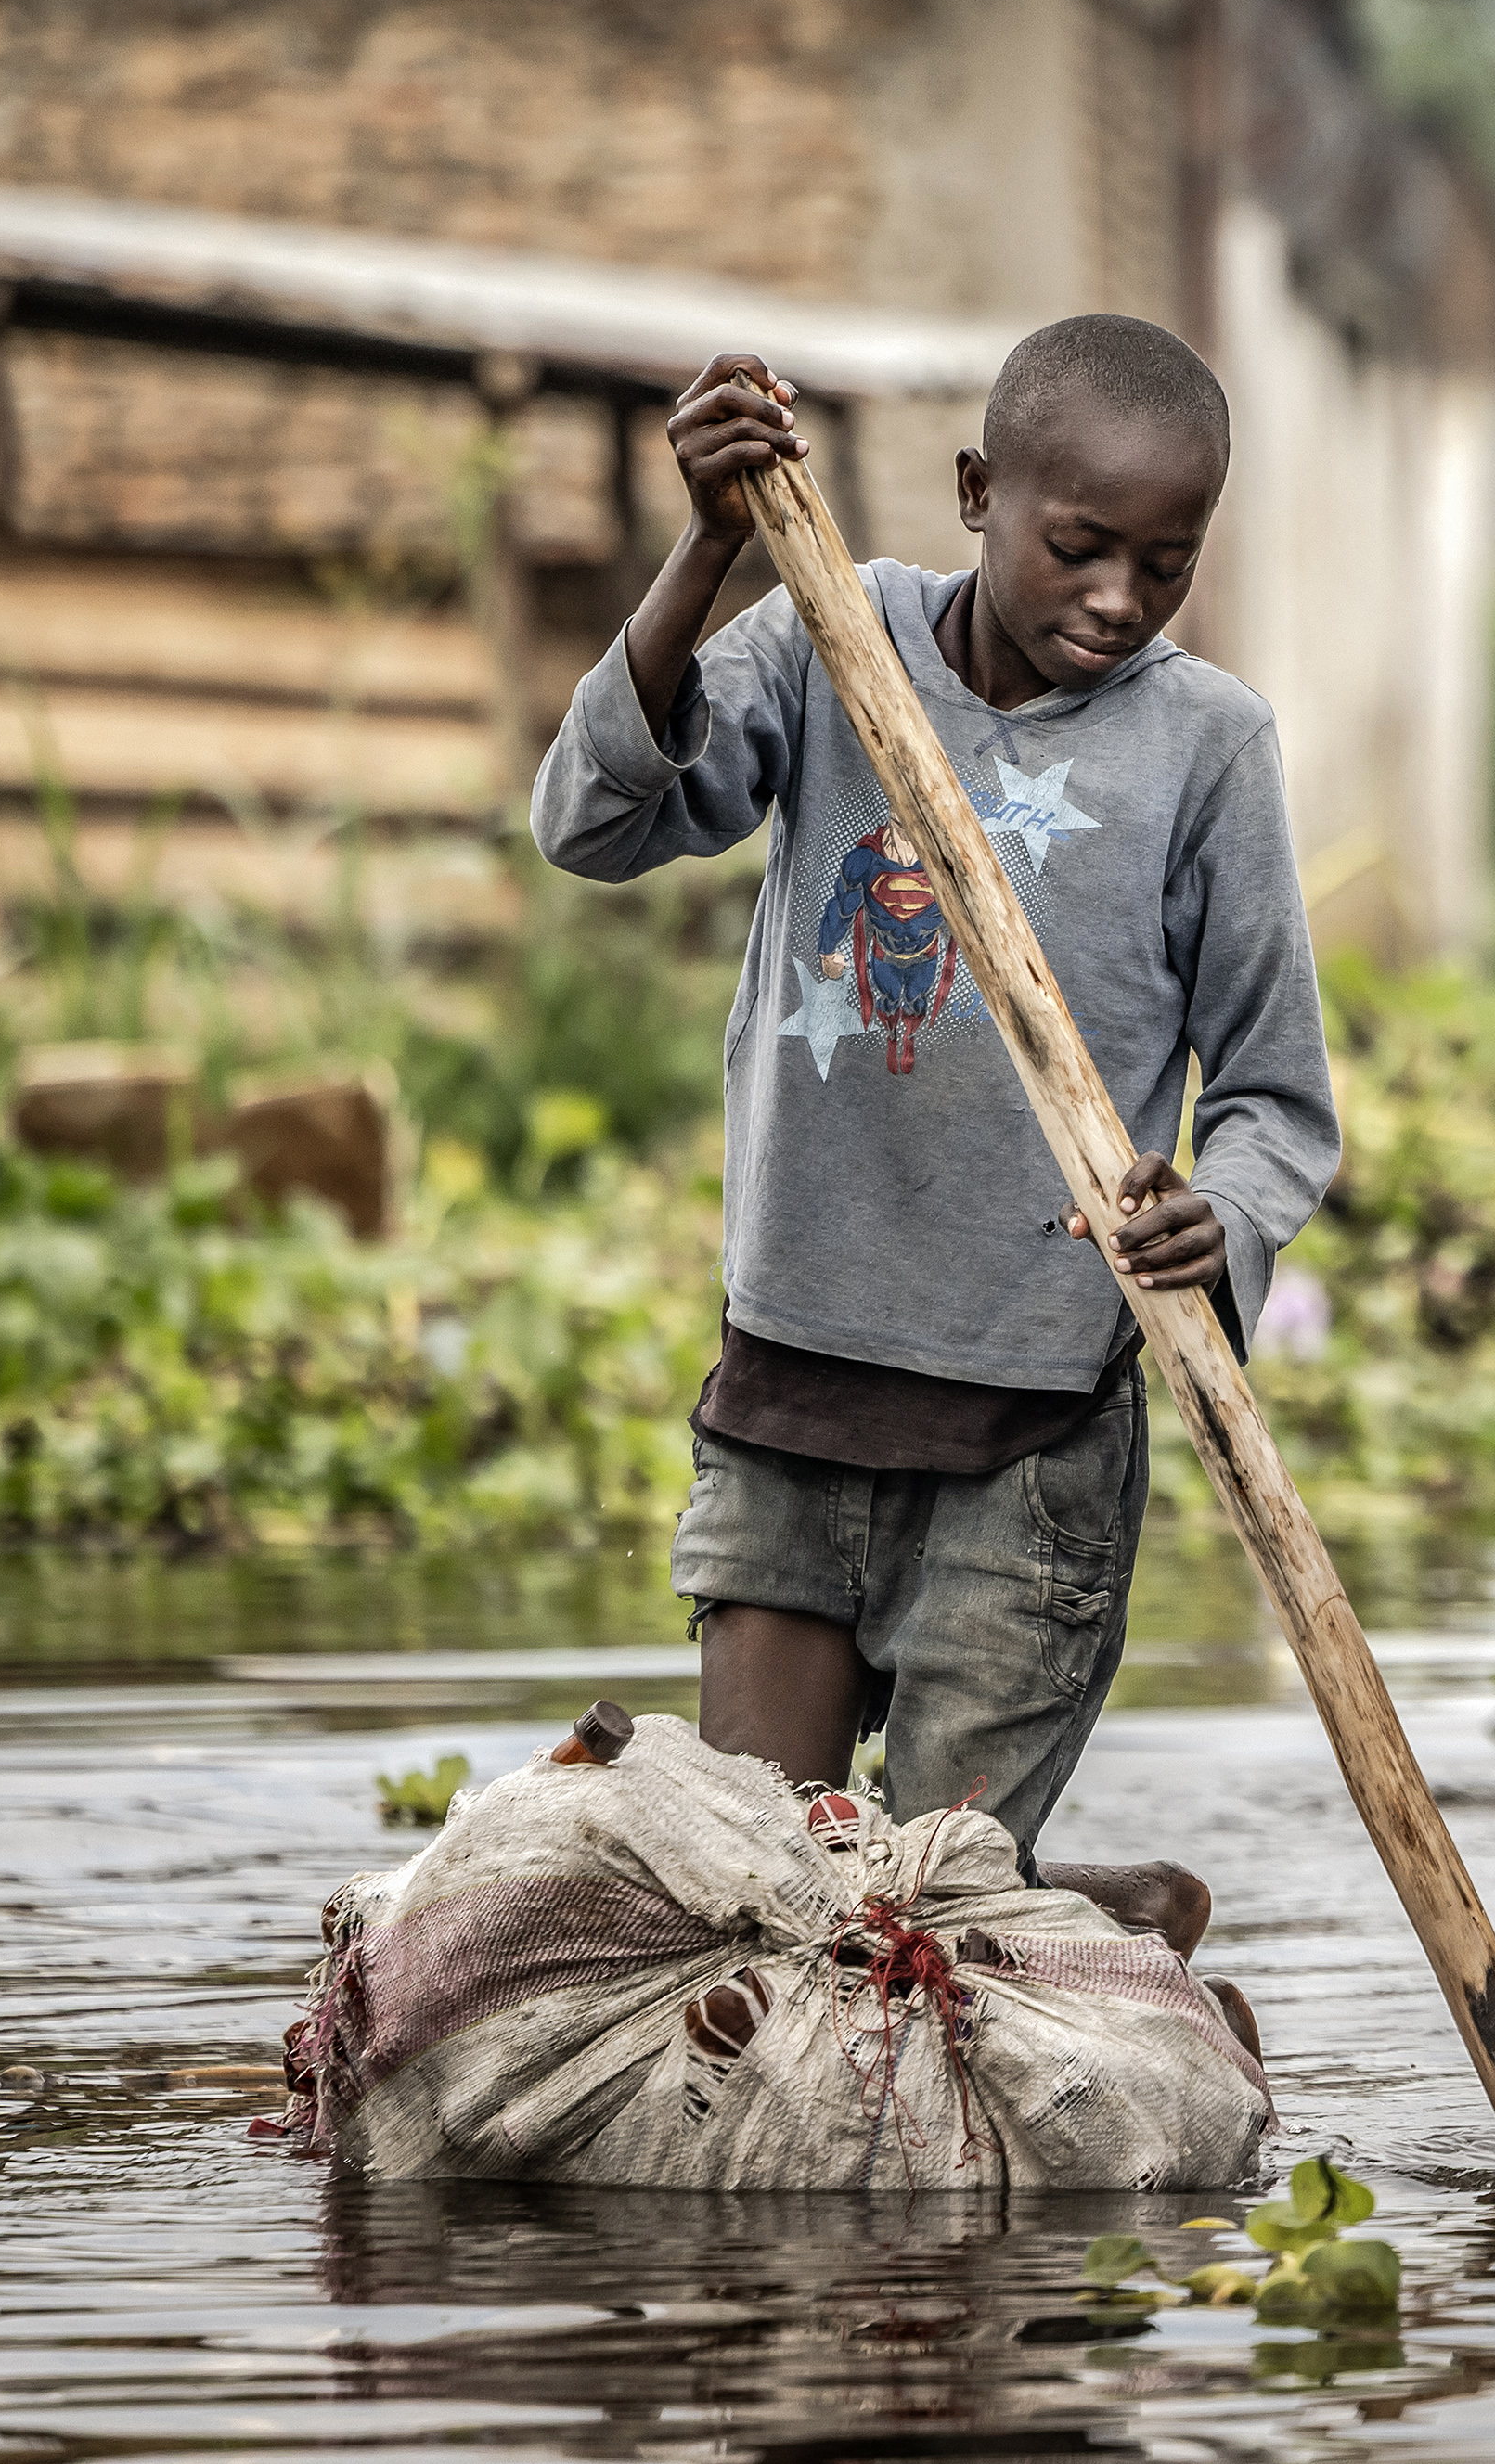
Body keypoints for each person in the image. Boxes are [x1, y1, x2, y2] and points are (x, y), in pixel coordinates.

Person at [532, 314, 1334, 2035]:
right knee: (754, 1908)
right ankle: (1080, 1910)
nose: (1120, 598)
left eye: (1167, 563)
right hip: (794, 1392)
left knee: (918, 1955)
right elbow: (594, 823)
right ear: (979, 493)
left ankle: (1043, 1924)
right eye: (1079, 546)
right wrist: (711, 549)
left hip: (1031, 1432)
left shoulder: (1207, 752)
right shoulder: (835, 638)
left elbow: (1276, 1100)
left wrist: (1230, 1216)